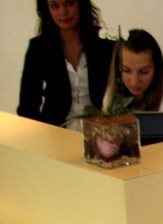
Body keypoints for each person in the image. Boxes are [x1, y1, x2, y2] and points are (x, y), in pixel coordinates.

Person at [17, 0, 114, 128]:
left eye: (69, 3)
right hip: (56, 131)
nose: (63, 12)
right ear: (47, 9)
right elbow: (27, 106)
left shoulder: (104, 42)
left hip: (102, 131)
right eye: (54, 5)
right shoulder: (39, 47)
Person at [105, 29, 163, 112]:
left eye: (144, 72)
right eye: (126, 70)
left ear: (156, 69)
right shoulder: (111, 95)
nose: (134, 82)